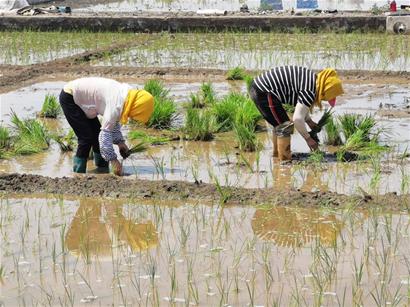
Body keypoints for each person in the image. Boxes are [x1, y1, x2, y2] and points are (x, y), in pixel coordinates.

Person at [59, 77, 154, 175]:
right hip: (71, 97)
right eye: (136, 114)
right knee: (86, 138)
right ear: (135, 107)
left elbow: (114, 123)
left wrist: (120, 143)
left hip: (84, 98)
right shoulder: (116, 103)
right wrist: (114, 161)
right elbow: (105, 135)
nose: (133, 117)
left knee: (96, 136)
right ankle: (78, 174)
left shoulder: (127, 97)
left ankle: (102, 170)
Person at [249, 66, 344, 156]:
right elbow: (297, 119)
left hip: (260, 87)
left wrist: (309, 121)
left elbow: (301, 106)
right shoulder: (310, 91)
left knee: (279, 125)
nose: (323, 99)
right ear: (325, 90)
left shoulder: (312, 81)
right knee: (284, 126)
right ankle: (284, 162)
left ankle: (276, 155)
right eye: (325, 97)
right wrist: (308, 139)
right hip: (264, 91)